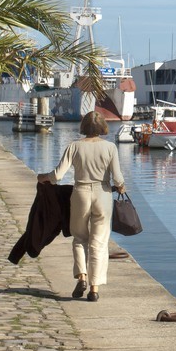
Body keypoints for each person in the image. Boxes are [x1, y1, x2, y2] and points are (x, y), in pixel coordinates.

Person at [37, 111, 126, 301]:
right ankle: (94, 289)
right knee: (99, 243)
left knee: (79, 238)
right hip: (103, 195)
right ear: (102, 127)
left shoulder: (74, 146)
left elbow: (58, 176)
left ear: (84, 127)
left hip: (80, 194)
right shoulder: (110, 148)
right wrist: (120, 185)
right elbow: (117, 178)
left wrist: (43, 177)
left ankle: (82, 276)